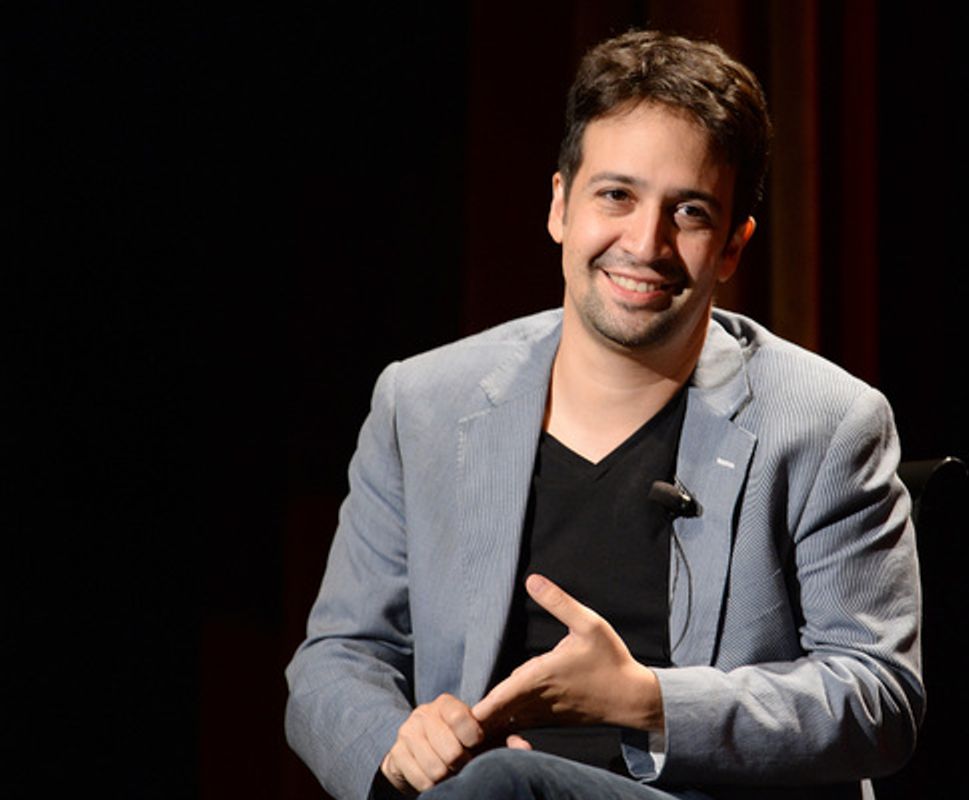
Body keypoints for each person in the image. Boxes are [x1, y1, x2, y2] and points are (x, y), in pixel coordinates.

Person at [285, 30, 923, 800]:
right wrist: (400, 744)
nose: (645, 244)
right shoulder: (421, 403)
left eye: (688, 212)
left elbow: (879, 696)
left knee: (507, 785)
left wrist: (646, 701)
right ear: (560, 204)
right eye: (616, 195)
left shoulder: (825, 423)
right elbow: (336, 660)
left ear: (731, 247)